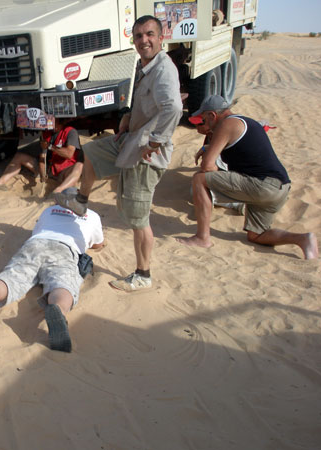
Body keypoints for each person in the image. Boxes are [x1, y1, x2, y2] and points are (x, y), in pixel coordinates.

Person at [55, 15, 183, 292]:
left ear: (161, 38)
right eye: (138, 36)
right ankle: (81, 200)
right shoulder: (146, 65)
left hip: (145, 154)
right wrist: (127, 116)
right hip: (130, 141)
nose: (143, 40)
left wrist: (155, 142)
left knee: (139, 220)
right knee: (91, 150)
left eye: (149, 34)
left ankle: (143, 275)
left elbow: (173, 108)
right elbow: (148, 104)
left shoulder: (163, 69)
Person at [0, 189, 105, 352]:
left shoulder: (49, 210)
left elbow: (37, 229)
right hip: (65, 250)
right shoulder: (92, 216)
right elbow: (97, 244)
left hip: (36, 244)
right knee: (62, 284)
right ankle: (58, 309)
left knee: (12, 276)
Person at [177, 95, 318, 260]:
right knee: (257, 235)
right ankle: (303, 239)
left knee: (199, 179)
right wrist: (207, 147)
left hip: (262, 185)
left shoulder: (227, 124)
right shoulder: (246, 122)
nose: (203, 124)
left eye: (203, 119)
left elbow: (207, 166)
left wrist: (211, 162)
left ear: (212, 115)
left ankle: (202, 237)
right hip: (281, 188)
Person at [0, 119, 83, 193]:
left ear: (60, 121)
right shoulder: (47, 133)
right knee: (19, 156)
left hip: (64, 171)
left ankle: (58, 191)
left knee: (79, 167)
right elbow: (43, 154)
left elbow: (69, 154)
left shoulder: (71, 132)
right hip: (49, 169)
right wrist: (43, 174)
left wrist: (50, 147)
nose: (48, 123)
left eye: (52, 120)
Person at [189, 116, 246, 215]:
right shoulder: (212, 134)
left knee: (196, 190)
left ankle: (236, 204)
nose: (196, 127)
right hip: (231, 176)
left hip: (236, 178)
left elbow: (212, 169)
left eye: (199, 124)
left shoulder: (221, 134)